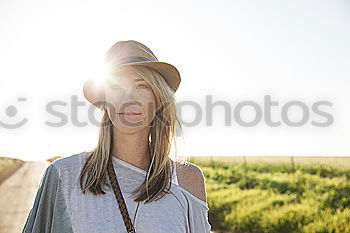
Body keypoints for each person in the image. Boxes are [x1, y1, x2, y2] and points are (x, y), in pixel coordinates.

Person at [22, 40, 212, 233]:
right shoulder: (63, 175)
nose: (128, 99)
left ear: (159, 98)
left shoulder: (187, 180)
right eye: (116, 86)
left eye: (142, 85)